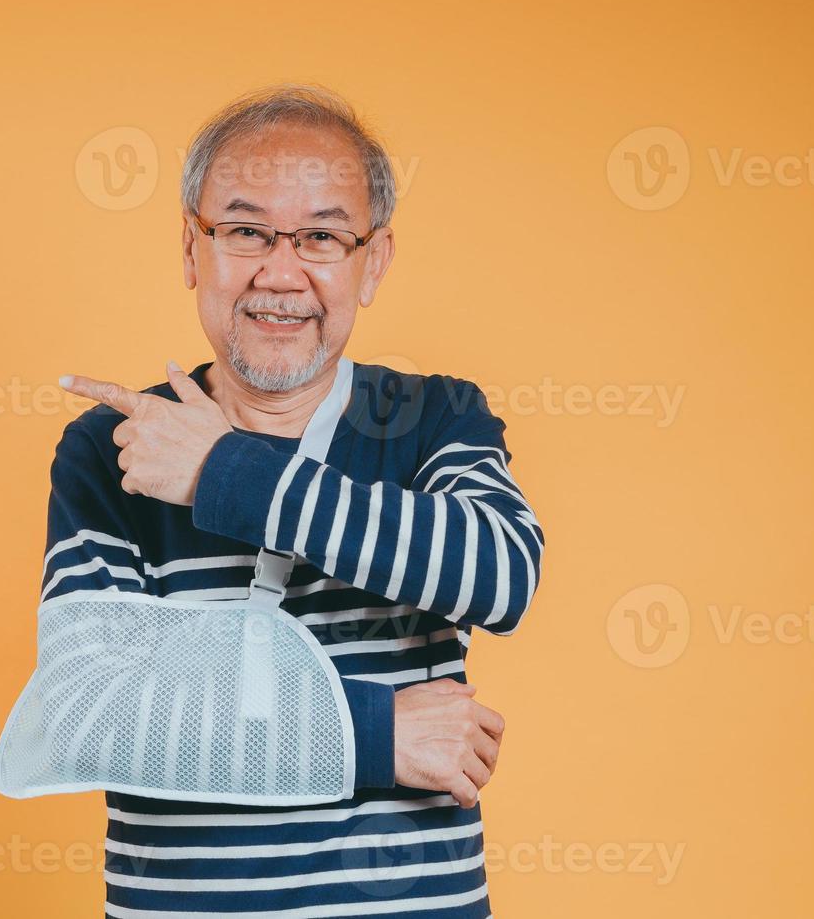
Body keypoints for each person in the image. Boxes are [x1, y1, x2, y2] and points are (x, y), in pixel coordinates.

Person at [38, 84, 545, 917]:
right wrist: (384, 737)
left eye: (320, 236)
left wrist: (224, 475)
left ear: (371, 261)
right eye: (244, 231)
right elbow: (92, 717)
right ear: (191, 251)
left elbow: (501, 576)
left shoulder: (432, 417)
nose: (280, 273)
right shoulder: (113, 444)